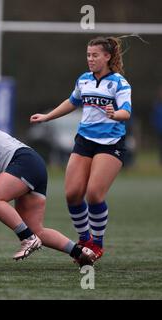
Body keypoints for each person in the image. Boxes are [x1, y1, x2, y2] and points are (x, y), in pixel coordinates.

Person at [30, 36, 132, 261]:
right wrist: (48, 117)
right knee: (73, 194)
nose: (90, 59)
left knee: (94, 194)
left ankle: (97, 243)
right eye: (88, 55)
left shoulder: (119, 83)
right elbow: (72, 102)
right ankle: (84, 239)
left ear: (107, 57)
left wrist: (115, 114)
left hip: (110, 144)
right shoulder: (84, 80)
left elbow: (126, 111)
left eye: (95, 55)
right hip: (84, 141)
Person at [0, 119, 96, 266]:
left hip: (24, 162)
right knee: (37, 231)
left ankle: (28, 239)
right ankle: (80, 252)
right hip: (32, 165)